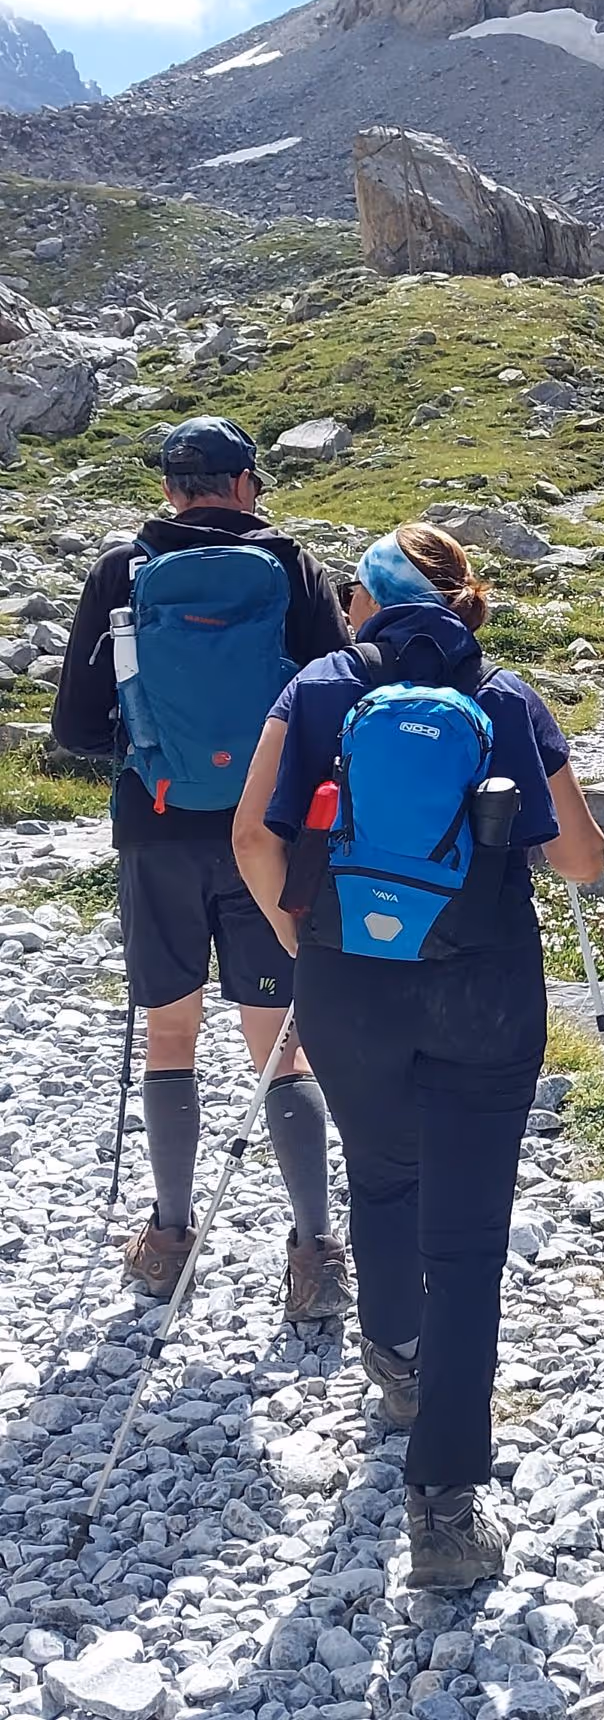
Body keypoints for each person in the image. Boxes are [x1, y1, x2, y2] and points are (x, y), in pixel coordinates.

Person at [233, 521, 604, 1590]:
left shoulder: (316, 689)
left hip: (348, 981)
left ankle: (395, 1357)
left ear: (371, 600)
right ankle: (444, 1509)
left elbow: (253, 838)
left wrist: (306, 943)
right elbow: (581, 862)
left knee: (381, 1173)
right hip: (484, 987)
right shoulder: (505, 696)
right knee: (472, 1241)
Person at [52, 416, 355, 1321]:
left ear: (171, 488)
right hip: (267, 836)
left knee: (171, 1034)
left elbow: (74, 727)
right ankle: (315, 1258)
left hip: (156, 830)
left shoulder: (124, 571)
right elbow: (338, 703)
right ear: (245, 484)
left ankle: (169, 1242)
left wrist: (145, 745)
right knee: (281, 1046)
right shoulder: (294, 568)